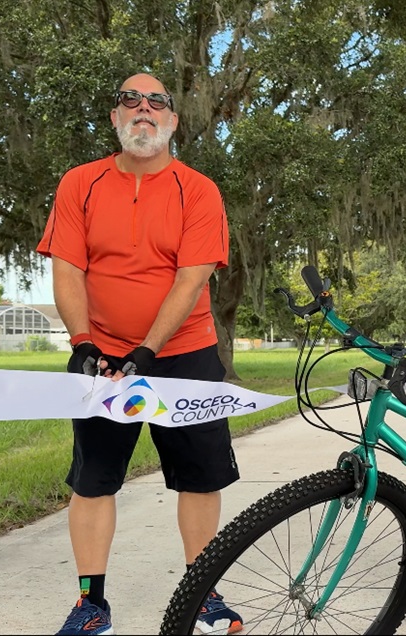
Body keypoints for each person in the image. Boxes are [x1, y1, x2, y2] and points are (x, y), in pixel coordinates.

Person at [36, 73, 243, 636]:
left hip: (183, 353)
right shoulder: (79, 183)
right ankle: (91, 605)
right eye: (131, 101)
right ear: (115, 118)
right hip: (98, 354)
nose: (143, 109)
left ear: (174, 121)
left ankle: (204, 596)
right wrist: (83, 343)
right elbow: (68, 268)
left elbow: (191, 276)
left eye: (157, 103)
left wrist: (148, 349)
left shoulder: (198, 189)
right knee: (93, 479)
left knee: (200, 479)